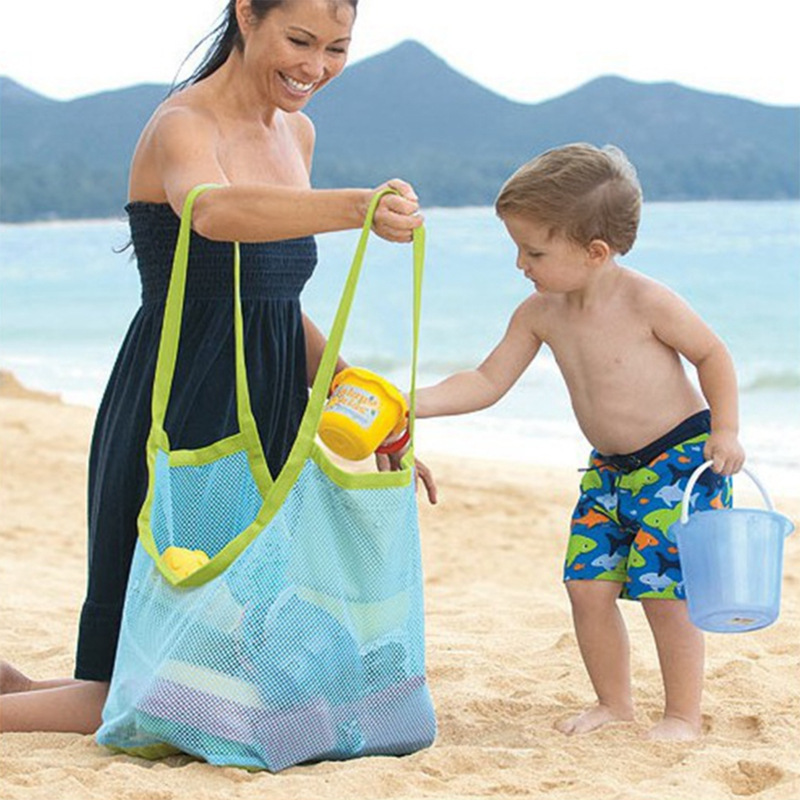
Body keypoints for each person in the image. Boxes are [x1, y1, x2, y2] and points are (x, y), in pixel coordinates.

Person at [0, 0, 436, 734]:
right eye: (299, 40)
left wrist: (366, 402)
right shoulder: (183, 124)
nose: (315, 67)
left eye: (336, 48)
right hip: (182, 402)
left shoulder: (298, 132)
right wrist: (358, 206)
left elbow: (275, 300)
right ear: (246, 16)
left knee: (214, 661)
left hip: (265, 403)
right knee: (159, 684)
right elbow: (213, 212)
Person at [413, 142, 745, 741]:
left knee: (665, 596)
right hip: (609, 472)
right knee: (586, 587)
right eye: (518, 247)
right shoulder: (541, 311)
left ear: (595, 252)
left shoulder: (646, 301)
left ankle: (682, 716)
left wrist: (727, 430)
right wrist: (412, 402)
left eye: (534, 250)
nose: (521, 263)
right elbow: (487, 380)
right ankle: (614, 704)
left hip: (679, 463)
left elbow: (712, 354)